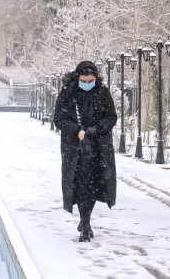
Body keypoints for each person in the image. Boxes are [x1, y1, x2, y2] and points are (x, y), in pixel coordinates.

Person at [53, 60, 117, 242]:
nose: (88, 84)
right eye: (84, 80)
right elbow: (59, 118)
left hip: (98, 147)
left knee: (95, 184)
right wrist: (77, 130)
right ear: (78, 77)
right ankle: (85, 223)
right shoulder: (68, 93)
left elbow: (111, 116)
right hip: (75, 149)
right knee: (81, 184)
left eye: (91, 80)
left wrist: (96, 129)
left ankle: (85, 218)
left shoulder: (103, 93)